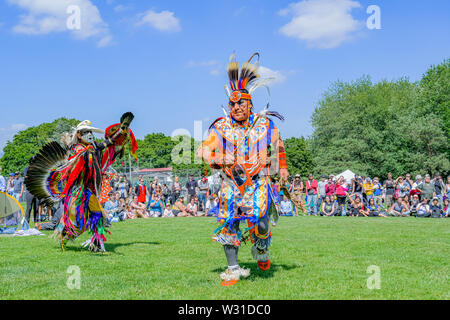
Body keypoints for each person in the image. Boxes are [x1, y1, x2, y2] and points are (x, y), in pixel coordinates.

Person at [197, 52, 289, 282]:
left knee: (261, 220)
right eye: (233, 103)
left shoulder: (263, 124)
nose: (236, 106)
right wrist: (219, 159)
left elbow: (279, 144)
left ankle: (261, 249)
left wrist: (283, 168)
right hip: (231, 184)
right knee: (229, 224)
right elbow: (203, 151)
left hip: (258, 182)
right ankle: (233, 268)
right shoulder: (220, 127)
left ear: (250, 104)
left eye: (241, 103)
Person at [25, 113, 137, 252]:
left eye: (90, 132)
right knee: (78, 223)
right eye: (86, 132)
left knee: (97, 217)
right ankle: (64, 237)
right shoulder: (76, 149)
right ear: (79, 135)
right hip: (77, 192)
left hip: (90, 190)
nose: (89, 134)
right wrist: (88, 153)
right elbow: (79, 160)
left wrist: (121, 130)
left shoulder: (92, 147)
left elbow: (108, 142)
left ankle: (96, 244)